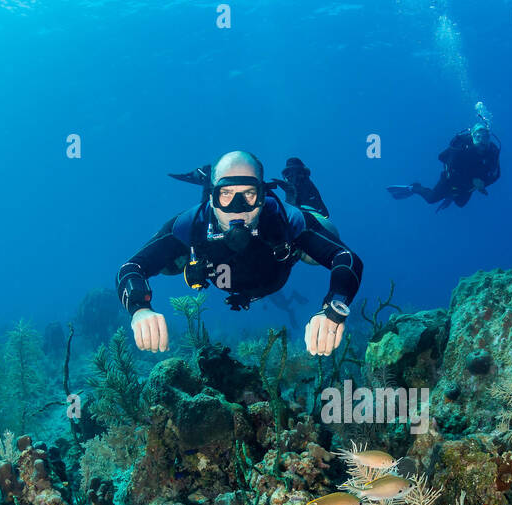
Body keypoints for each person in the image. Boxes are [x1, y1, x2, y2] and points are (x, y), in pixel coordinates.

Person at [116, 151, 362, 356]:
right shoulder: (192, 224)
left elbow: (346, 258)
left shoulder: (285, 219)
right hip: (227, 270)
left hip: (281, 260)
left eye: (249, 194)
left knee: (327, 230)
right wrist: (139, 308)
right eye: (226, 194)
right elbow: (131, 268)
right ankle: (209, 180)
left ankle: (299, 183)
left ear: (262, 195)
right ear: (213, 198)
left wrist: (333, 308)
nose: (238, 208)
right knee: (170, 266)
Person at [387, 121, 501, 210]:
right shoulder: (461, 149)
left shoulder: (492, 152)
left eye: (485, 137)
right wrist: (473, 180)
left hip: (468, 186)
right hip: (450, 180)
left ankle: (451, 195)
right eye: (478, 136)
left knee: (460, 204)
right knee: (431, 199)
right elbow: (443, 158)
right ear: (472, 137)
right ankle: (414, 187)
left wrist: (483, 183)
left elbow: (496, 175)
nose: (482, 140)